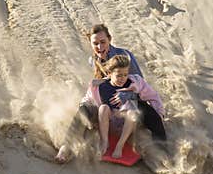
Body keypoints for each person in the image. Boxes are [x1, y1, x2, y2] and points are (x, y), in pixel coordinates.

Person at [55, 24, 166, 163]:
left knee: (150, 114)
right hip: (106, 106)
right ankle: (66, 147)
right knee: (84, 110)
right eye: (95, 43)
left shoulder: (124, 56)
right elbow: (97, 89)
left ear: (109, 40)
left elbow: (141, 85)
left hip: (129, 103)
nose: (99, 47)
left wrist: (129, 95)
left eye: (103, 42)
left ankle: (162, 151)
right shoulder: (93, 61)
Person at [82, 55, 164, 158]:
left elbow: (153, 96)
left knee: (132, 112)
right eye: (119, 75)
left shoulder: (135, 82)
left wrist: (159, 114)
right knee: (103, 108)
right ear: (109, 74)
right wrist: (83, 110)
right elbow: (87, 100)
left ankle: (119, 145)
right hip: (109, 123)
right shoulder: (98, 87)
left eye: (125, 75)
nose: (123, 78)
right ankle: (104, 142)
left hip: (128, 125)